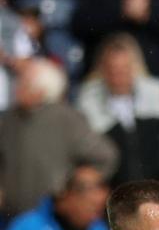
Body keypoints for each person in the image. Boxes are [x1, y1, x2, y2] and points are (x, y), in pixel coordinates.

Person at [0, 57, 118, 219]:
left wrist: (80, 187)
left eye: (24, 84)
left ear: (41, 91)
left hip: (54, 215)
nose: (17, 88)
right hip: (11, 215)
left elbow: (106, 156)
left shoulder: (65, 118)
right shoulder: (9, 119)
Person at [76, 32, 159, 184]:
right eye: (113, 69)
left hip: (154, 183)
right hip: (114, 187)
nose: (118, 76)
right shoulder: (88, 104)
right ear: (103, 70)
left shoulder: (156, 93)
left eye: (124, 69)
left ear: (135, 68)